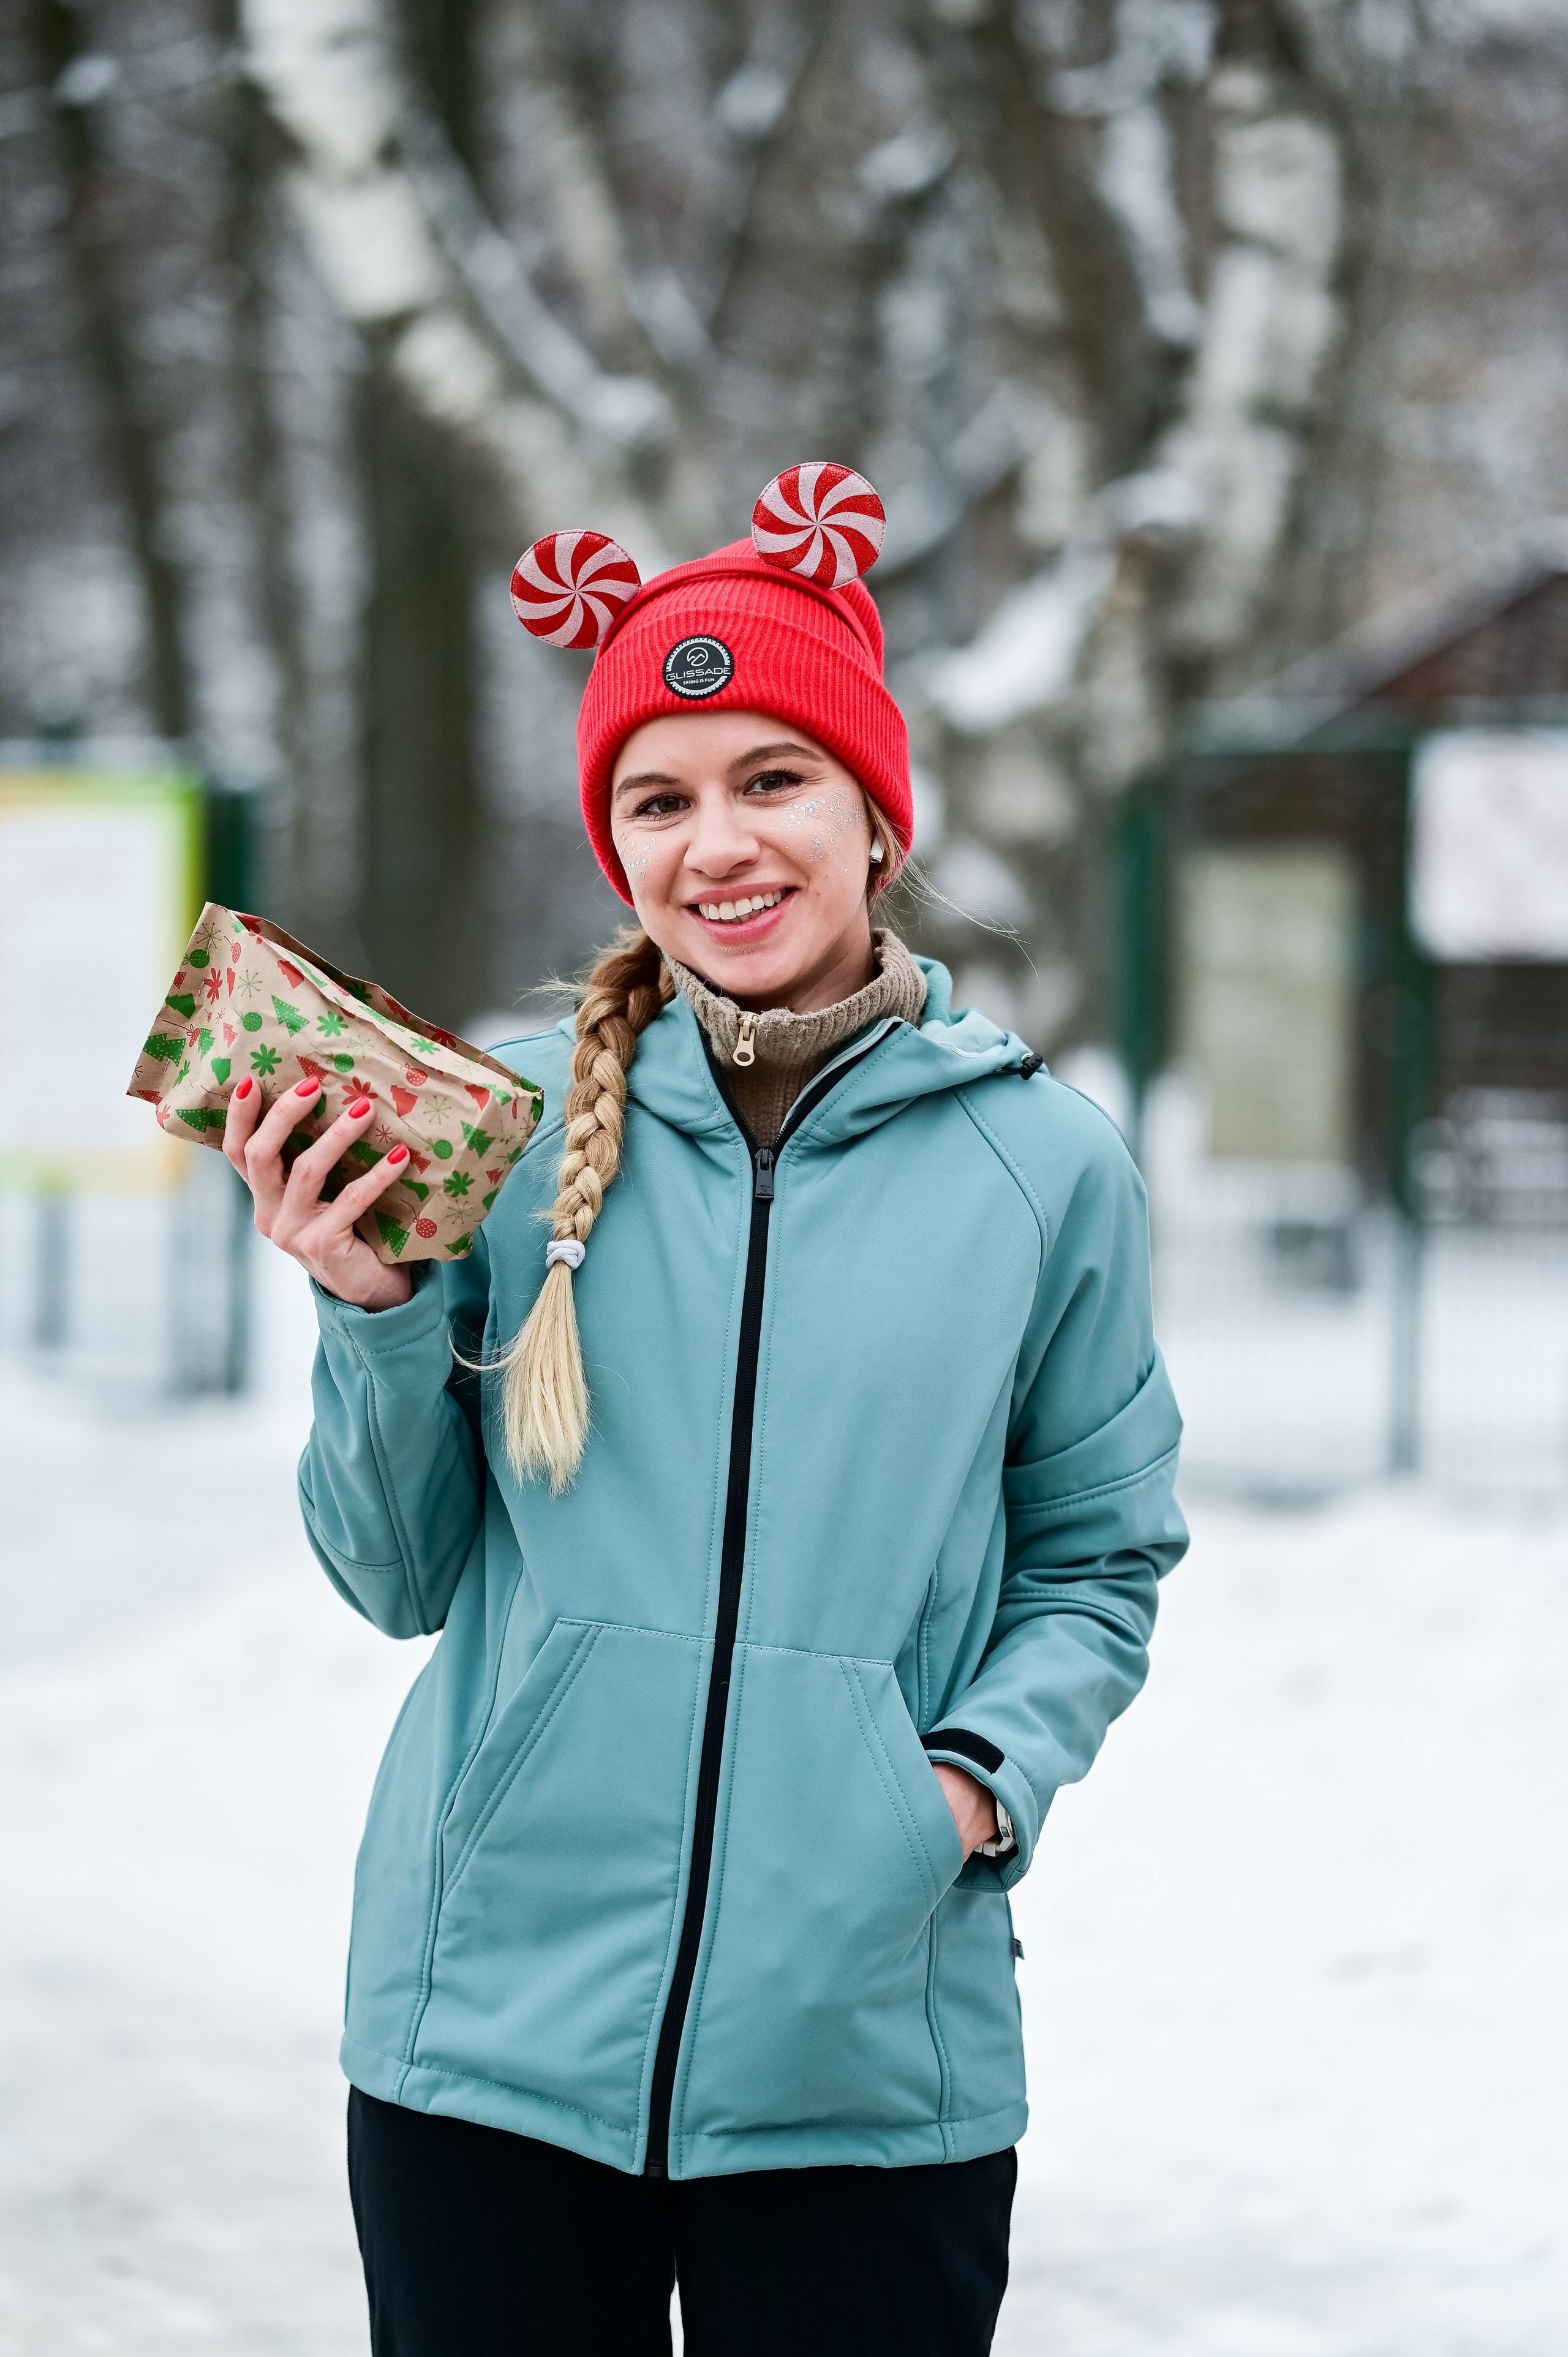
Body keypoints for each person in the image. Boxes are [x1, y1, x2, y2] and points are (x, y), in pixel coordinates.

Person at [222, 481, 1186, 2357]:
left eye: (774, 781)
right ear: (614, 846)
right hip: (484, 2048)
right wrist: (372, 1311)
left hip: (863, 2062)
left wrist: (965, 1783)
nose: (717, 844)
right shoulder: (483, 1120)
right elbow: (396, 1575)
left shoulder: (1046, 1172)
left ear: (876, 819)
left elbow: (1100, 1556)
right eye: (659, 800)